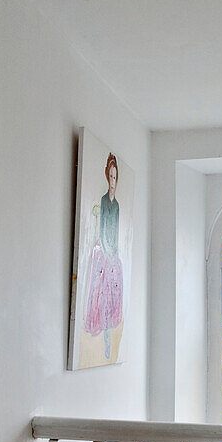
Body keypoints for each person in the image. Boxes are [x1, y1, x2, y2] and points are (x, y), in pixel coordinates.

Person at [84, 153, 124, 359]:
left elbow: (115, 232)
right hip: (104, 253)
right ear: (106, 178)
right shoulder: (103, 201)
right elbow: (103, 229)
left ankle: (108, 342)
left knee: (112, 296)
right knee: (100, 295)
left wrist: (113, 251)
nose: (112, 182)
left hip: (112, 252)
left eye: (115, 177)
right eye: (110, 177)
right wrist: (106, 249)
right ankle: (104, 340)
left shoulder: (116, 205)